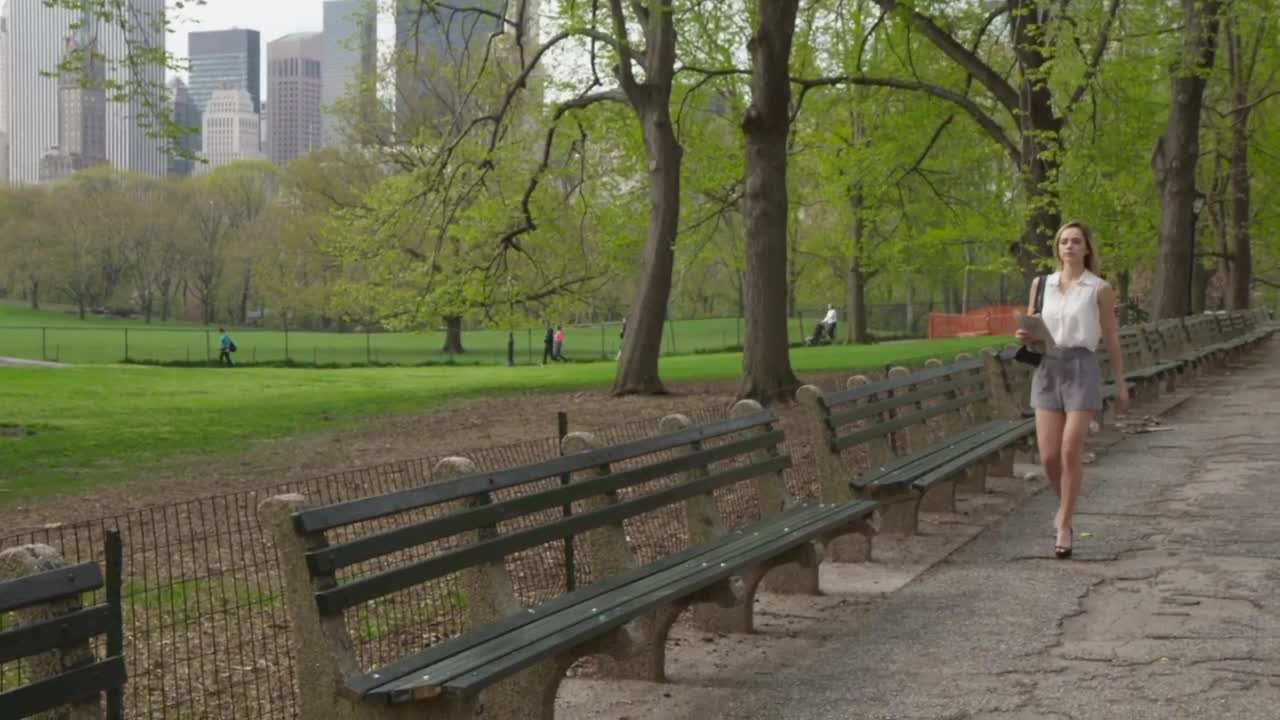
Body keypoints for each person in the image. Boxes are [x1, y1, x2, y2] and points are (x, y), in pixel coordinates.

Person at [1015, 221, 1129, 560]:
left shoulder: (1099, 289)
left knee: (1069, 450)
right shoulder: (1042, 284)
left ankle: (1064, 523)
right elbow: (1034, 328)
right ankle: (1065, 502)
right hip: (1048, 366)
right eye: (1064, 241)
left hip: (1082, 367)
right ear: (1057, 248)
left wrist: (1121, 382)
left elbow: (1110, 337)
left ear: (1087, 248)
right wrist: (1025, 336)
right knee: (1048, 456)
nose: (1069, 246)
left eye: (1076, 241)